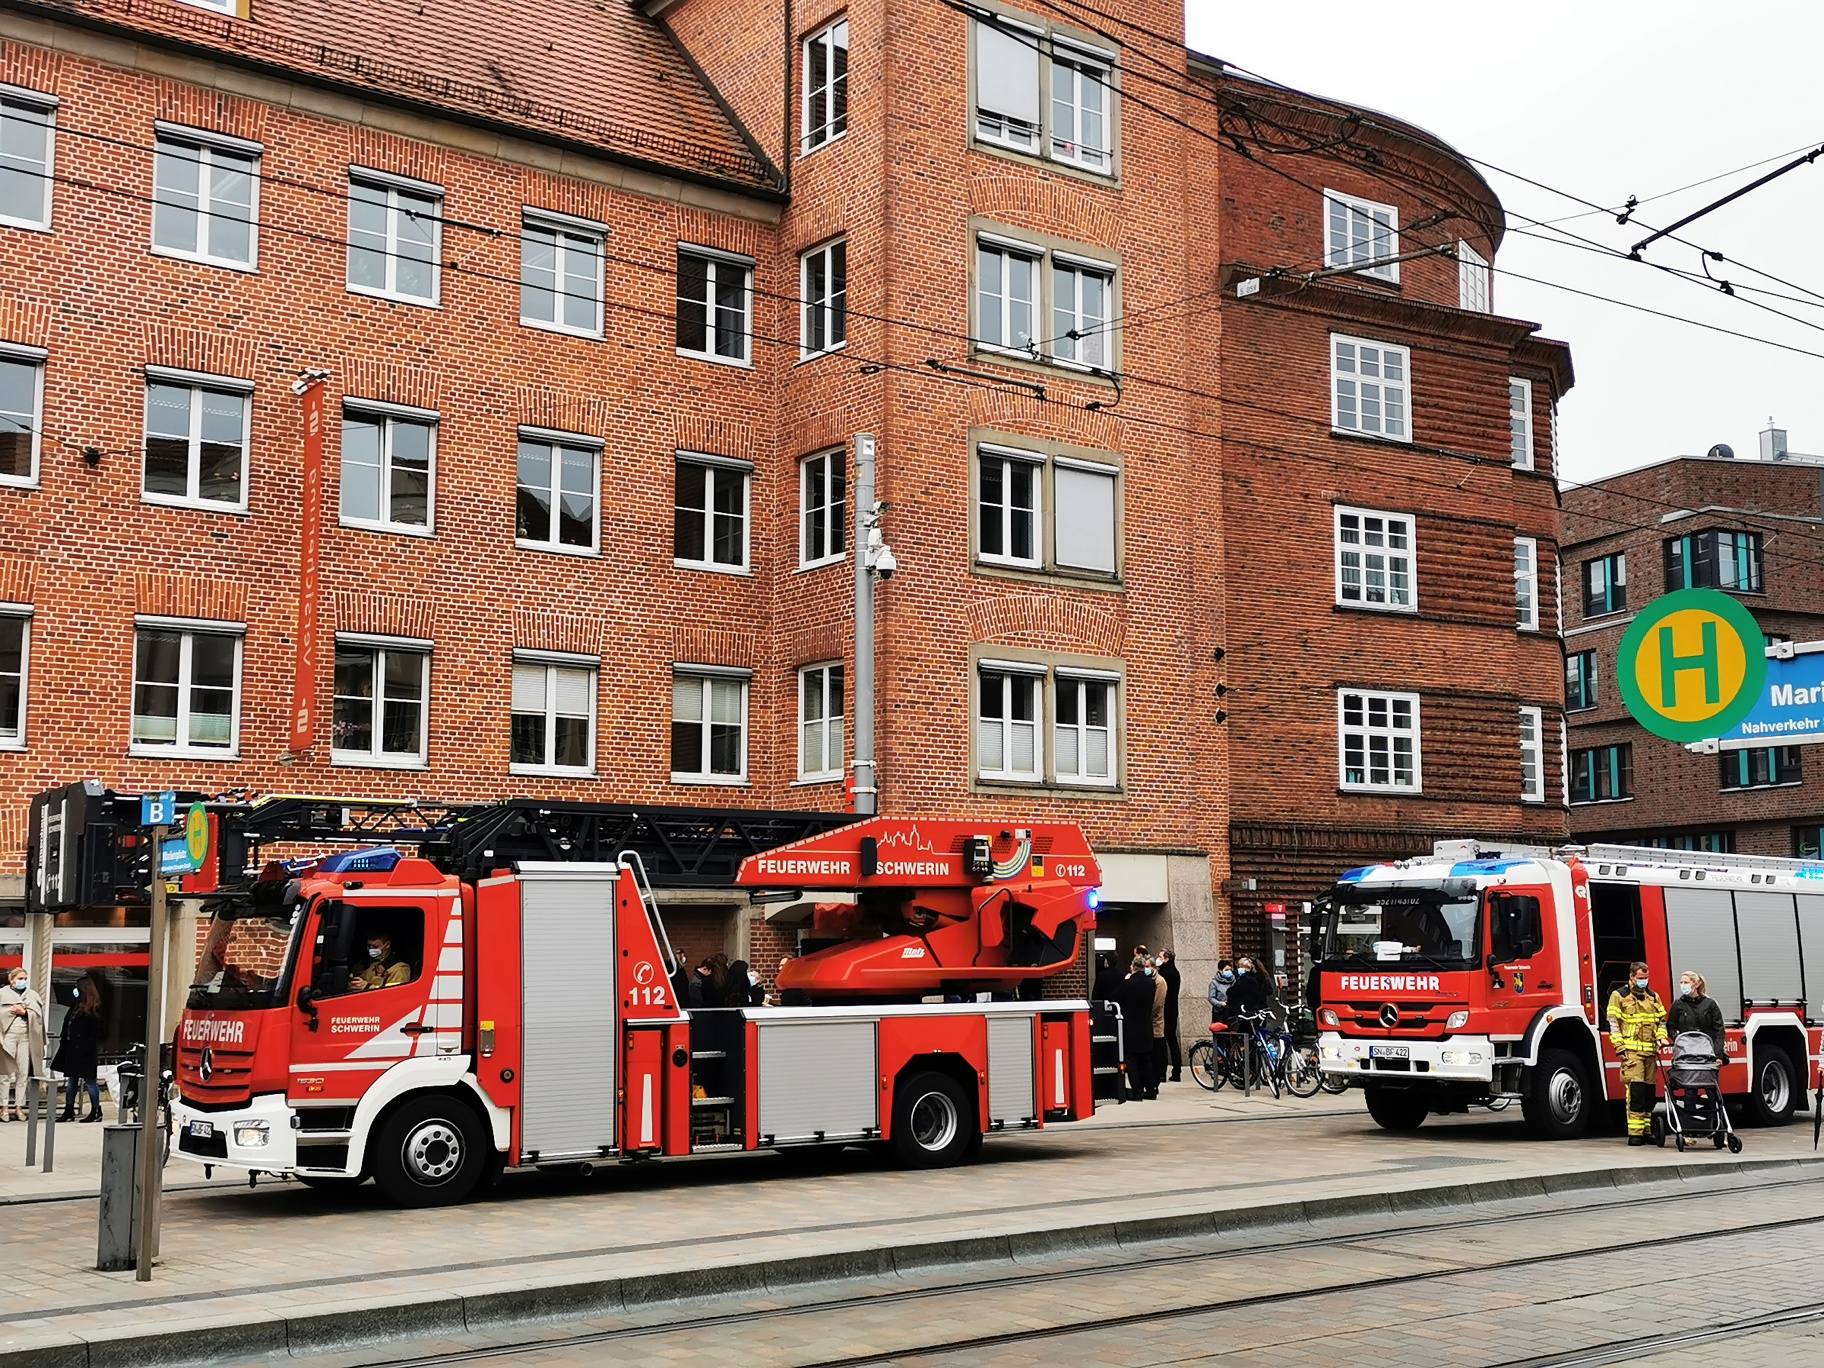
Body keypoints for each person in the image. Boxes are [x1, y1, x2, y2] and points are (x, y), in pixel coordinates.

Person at [1606, 961, 1668, 1146]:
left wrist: (1661, 1037)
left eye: (1646, 978)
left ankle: (1646, 1130)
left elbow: (1661, 1022)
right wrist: (1620, 1047)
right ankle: (1635, 1133)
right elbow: (1613, 1023)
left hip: (1650, 1053)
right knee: (1636, 1092)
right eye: (1640, 978)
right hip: (1632, 1053)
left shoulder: (1653, 997)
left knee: (1649, 1094)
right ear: (1632, 976)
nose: (1644, 981)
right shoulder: (1619, 996)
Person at [53, 979, 104, 1123]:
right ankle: (69, 1109)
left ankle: (96, 1111)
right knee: (72, 1081)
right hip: (72, 1049)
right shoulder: (76, 1006)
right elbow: (67, 1024)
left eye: (77, 988)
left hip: (85, 1051)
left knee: (90, 1081)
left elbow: (96, 1031)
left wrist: (86, 1045)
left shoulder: (93, 1008)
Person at [1, 967, 46, 1122]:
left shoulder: (32, 995)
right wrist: (11, 1011)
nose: (23, 981)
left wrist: (26, 1013)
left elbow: (38, 1016)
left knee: (23, 1072)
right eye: (20, 978)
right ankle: (4, 1106)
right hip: (8, 1036)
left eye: (25, 978)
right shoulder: (3, 993)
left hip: (26, 1036)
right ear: (12, 979)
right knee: (5, 1072)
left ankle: (19, 1106)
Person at [1116, 956, 1158, 1101]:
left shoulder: (1128, 984)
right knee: (1146, 1059)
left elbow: (1115, 997)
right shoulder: (1151, 984)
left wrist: (1126, 980)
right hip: (1146, 1025)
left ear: (1132, 967)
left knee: (1131, 1059)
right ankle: (1151, 1090)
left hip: (1131, 1026)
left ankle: (1137, 1090)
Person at [1668, 970, 1726, 1060]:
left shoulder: (1710, 1004)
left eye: (1686, 982)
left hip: (1708, 1051)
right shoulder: (1678, 1005)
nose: (1683, 985)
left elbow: (1719, 1030)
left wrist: (1717, 1055)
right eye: (1681, 982)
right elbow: (1671, 1027)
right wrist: (1680, 1041)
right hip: (1685, 1052)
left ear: (1696, 984)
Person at [1157, 949, 1183, 1083]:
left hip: (1165, 1010)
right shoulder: (1176, 973)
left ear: (1166, 959)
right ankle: (1177, 1070)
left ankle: (1162, 1071)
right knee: (1172, 1039)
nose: (1158, 958)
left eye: (1160, 956)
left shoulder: (1164, 974)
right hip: (1173, 1009)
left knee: (1162, 1041)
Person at [1149, 955, 1168, 1090]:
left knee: (1157, 1051)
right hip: (1150, 1023)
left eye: (1147, 966)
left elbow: (1157, 1003)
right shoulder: (1150, 980)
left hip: (1156, 1022)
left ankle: (1159, 1075)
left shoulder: (1160, 982)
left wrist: (1146, 1013)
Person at [1207, 958, 1235, 1025]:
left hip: (1232, 1011)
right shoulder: (1214, 983)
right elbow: (1211, 998)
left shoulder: (1234, 981)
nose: (1229, 972)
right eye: (1226, 970)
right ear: (1220, 971)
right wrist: (1220, 1004)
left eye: (1230, 970)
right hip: (1219, 1012)